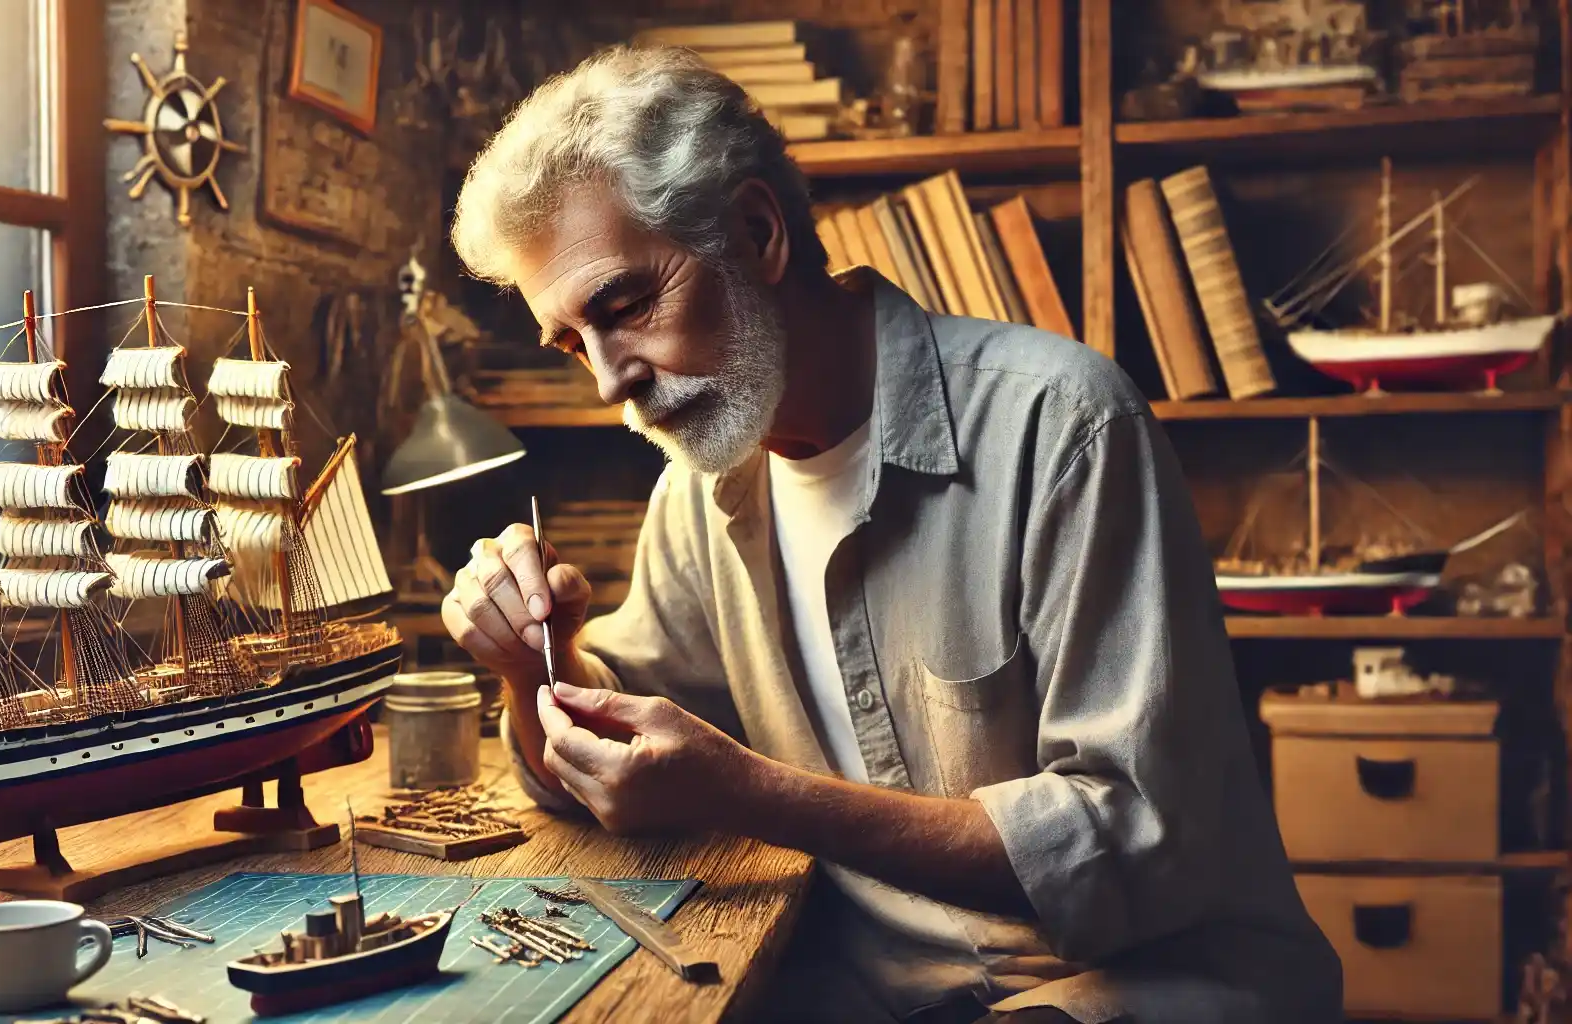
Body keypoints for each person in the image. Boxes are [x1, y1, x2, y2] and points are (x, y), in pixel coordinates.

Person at [440, 44, 1343, 1024]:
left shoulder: (1063, 423)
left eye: (625, 307)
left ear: (757, 232)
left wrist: (752, 792)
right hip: (865, 993)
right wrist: (533, 667)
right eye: (574, 343)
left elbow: (1133, 839)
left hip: (1141, 985)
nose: (611, 381)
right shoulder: (697, 491)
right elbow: (614, 770)